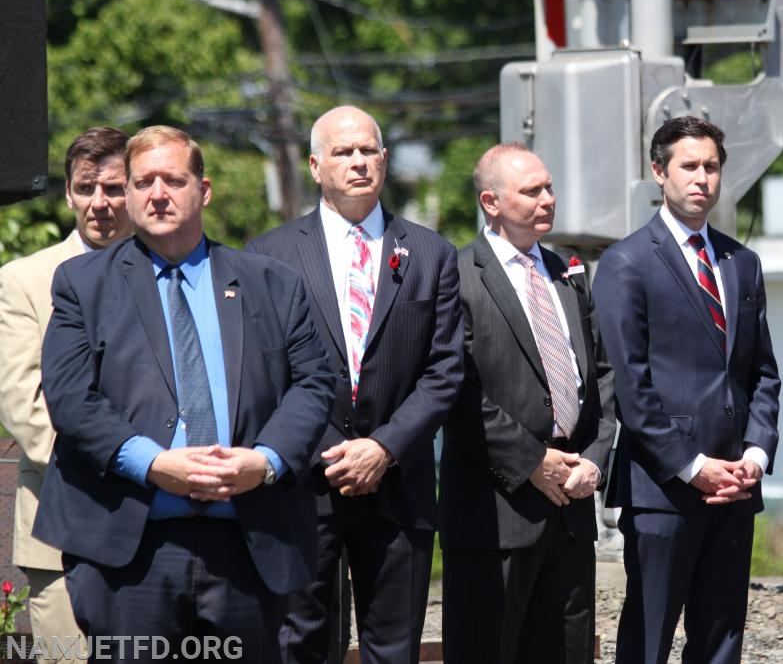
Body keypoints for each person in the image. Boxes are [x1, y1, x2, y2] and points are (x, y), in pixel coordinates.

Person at [35, 126, 335, 663]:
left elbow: (313, 384)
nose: (157, 193)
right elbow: (71, 398)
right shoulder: (82, 283)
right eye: (143, 181)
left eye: (173, 179)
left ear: (204, 189)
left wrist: (264, 462)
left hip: (248, 544)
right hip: (130, 551)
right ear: (127, 193)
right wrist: (152, 464)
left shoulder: (273, 283)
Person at [247, 106, 463, 664]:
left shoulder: (431, 254)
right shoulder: (268, 257)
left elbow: (444, 373)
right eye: (344, 152)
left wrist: (383, 448)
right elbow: (264, 377)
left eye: (369, 151)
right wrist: (326, 450)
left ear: (385, 161)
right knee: (301, 646)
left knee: (393, 648)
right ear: (317, 166)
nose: (359, 162)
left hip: (399, 486)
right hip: (303, 485)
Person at [593, 115, 780, 664]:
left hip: (736, 486)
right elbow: (630, 384)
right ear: (659, 172)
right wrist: (693, 466)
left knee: (722, 639)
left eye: (713, 167)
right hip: (663, 490)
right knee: (649, 637)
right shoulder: (627, 262)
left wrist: (754, 454)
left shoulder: (742, 262)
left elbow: (762, 373)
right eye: (689, 166)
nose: (702, 178)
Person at [439, 143, 617, 664]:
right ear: (491, 202)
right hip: (495, 510)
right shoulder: (457, 274)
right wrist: (531, 462)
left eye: (549, 187)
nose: (548, 199)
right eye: (531, 190)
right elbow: (452, 389)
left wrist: (595, 461)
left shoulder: (567, 273)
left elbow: (601, 375)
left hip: (571, 503)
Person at [0, 127, 130, 661]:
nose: (99, 204)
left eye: (115, 189)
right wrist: (138, 468)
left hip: (164, 537)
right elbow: (26, 408)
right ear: (70, 193)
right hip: (63, 532)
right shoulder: (24, 280)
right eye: (85, 188)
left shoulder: (175, 276)